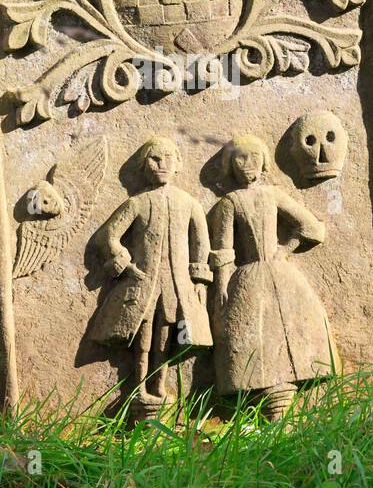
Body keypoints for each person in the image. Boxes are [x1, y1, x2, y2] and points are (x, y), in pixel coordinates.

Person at [209, 134, 339, 420]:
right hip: (247, 279)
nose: (247, 164)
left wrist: (284, 250)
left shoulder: (272, 195)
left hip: (281, 275)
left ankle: (283, 406)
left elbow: (311, 228)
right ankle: (272, 409)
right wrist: (221, 284)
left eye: (254, 157)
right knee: (254, 339)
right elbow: (223, 249)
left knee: (288, 332)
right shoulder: (230, 203)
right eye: (240, 159)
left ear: (264, 161)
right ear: (230, 165)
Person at [89, 135, 212, 418]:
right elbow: (107, 236)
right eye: (155, 159)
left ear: (179, 164)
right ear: (144, 166)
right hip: (145, 284)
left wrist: (199, 280)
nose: (162, 164)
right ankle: (139, 387)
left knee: (166, 338)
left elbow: (201, 244)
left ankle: (159, 387)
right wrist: (124, 264)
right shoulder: (138, 203)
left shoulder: (189, 203)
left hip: (176, 285)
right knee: (142, 335)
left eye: (168, 158)